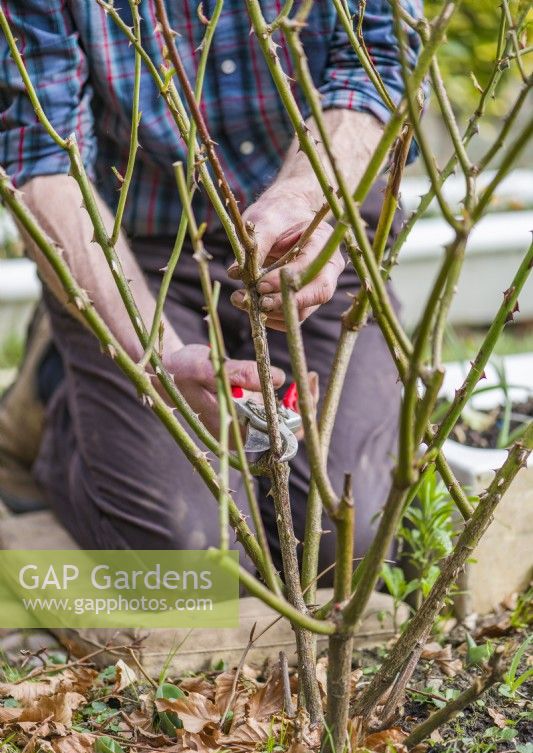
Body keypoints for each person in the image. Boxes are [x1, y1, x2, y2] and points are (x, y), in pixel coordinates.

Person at [0, 1, 421, 579]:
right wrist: (153, 357)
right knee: (195, 562)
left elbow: (381, 71)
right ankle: (59, 397)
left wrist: (307, 204)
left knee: (347, 546)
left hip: (323, 215)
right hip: (136, 242)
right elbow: (40, 156)